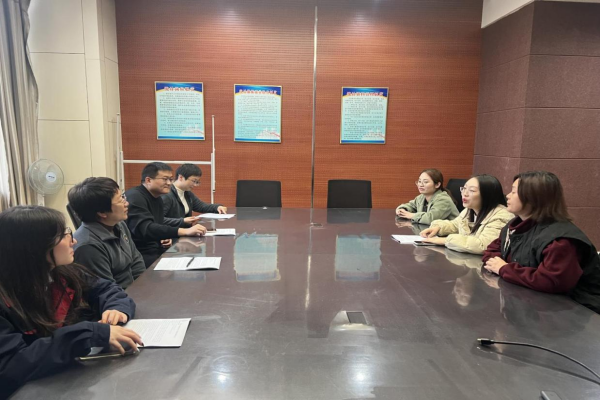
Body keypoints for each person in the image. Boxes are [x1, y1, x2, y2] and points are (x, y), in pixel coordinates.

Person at [0, 206, 143, 398]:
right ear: (34, 247)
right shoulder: (6, 297)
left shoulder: (63, 273)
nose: (73, 240)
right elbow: (12, 365)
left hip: (64, 378)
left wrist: (117, 308)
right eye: (63, 235)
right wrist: (87, 334)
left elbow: (106, 289)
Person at [483, 171, 600, 313]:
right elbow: (492, 250)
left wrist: (504, 269)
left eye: (514, 192)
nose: (507, 195)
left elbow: (551, 281)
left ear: (533, 198)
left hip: (576, 310)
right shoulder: (515, 225)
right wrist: (497, 265)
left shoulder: (561, 239)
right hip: (530, 301)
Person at [125, 162, 208, 267]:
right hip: (139, 253)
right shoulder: (135, 197)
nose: (169, 183)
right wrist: (185, 231)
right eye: (165, 179)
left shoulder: (157, 198)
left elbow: (158, 224)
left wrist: (164, 237)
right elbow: (146, 229)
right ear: (148, 180)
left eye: (170, 179)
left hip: (156, 247)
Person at [68, 177, 145, 289]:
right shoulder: (88, 246)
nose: (126, 203)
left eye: (123, 197)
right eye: (120, 200)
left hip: (135, 290)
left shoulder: (119, 225)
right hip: (119, 297)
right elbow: (106, 290)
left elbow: (136, 260)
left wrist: (145, 286)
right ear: (102, 212)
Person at [420, 174, 513, 254]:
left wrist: (445, 240)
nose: (465, 193)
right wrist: (438, 228)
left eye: (472, 190)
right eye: (464, 189)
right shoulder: (469, 209)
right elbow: (456, 224)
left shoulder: (502, 216)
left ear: (487, 194)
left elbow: (484, 245)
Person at [162, 163, 227, 225]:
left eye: (197, 182)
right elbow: (159, 220)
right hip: (173, 231)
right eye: (194, 181)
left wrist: (217, 207)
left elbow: (201, 206)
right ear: (181, 177)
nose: (195, 185)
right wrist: (182, 221)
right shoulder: (167, 195)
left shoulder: (187, 193)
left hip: (185, 230)